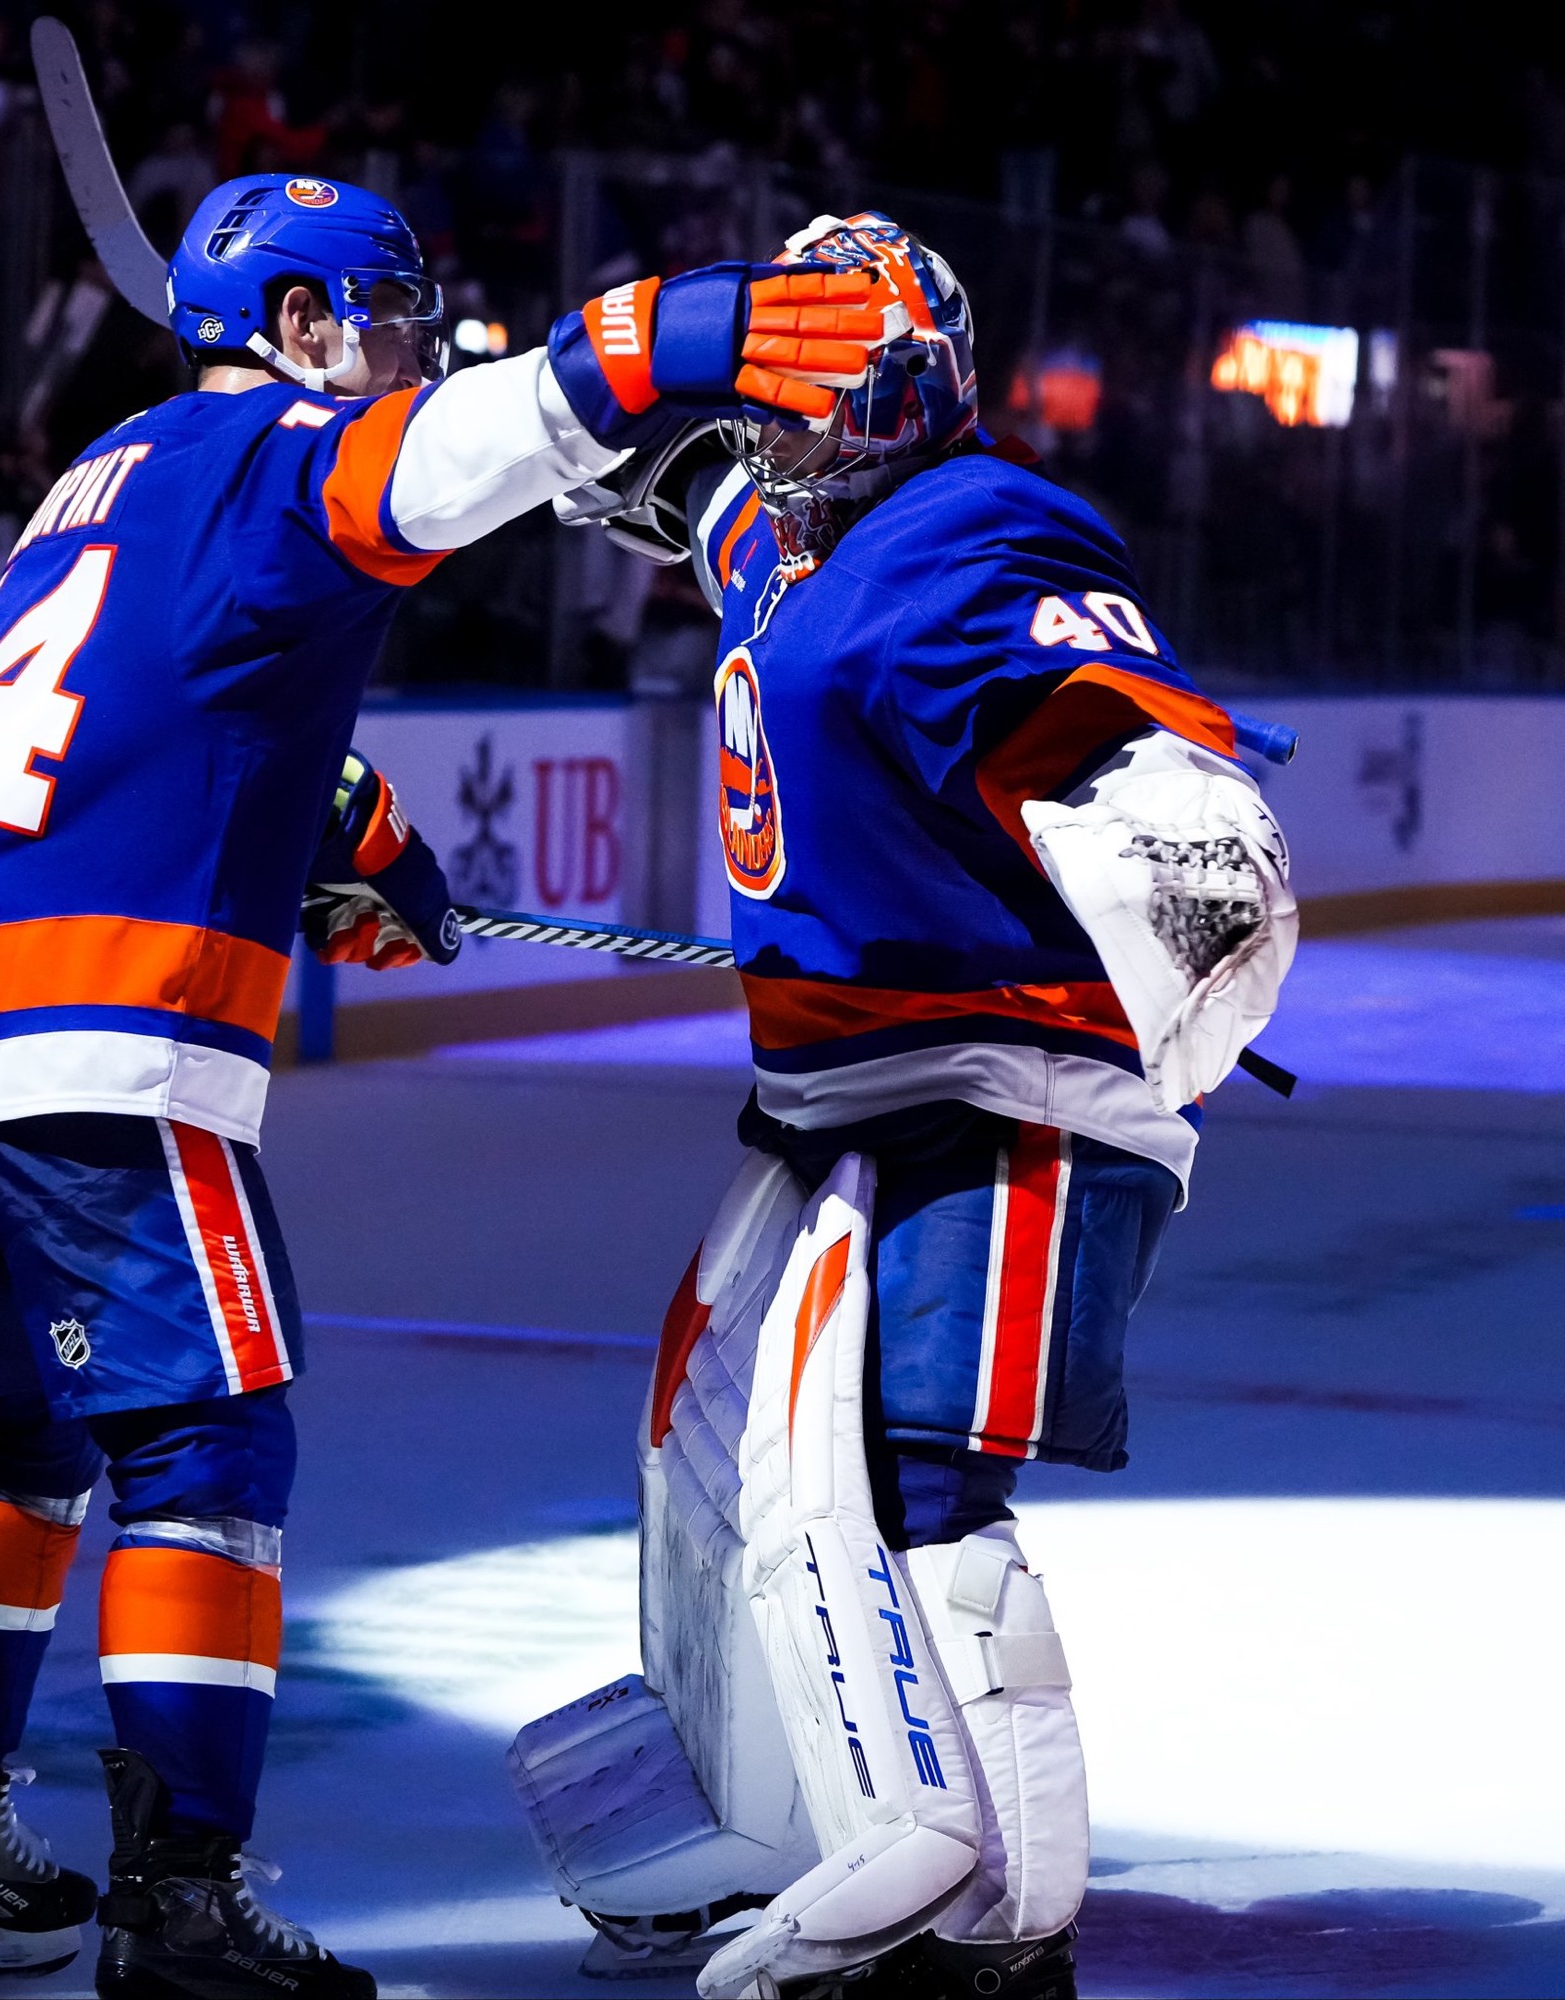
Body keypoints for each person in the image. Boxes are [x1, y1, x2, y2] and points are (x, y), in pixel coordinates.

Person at [0, 172, 888, 1997]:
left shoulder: (114, 469)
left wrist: (348, 829)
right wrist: (678, 339)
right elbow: (463, 450)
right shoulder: (287, 459)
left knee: (8, 1435)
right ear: (299, 330)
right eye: (383, 320)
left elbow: (166, 695)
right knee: (206, 1441)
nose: (403, 354)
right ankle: (179, 1914)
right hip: (88, 1027)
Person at [512, 212, 1297, 1998]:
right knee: (741, 1473)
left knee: (920, 1487)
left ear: (906, 391)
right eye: (761, 398)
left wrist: (1181, 872)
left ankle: (1001, 1925)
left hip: (997, 1086)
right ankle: (812, 1829)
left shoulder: (972, 531)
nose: (771, 430)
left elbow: (1122, 742)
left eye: (808, 395)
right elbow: (678, 501)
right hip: (839, 1099)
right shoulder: (780, 535)